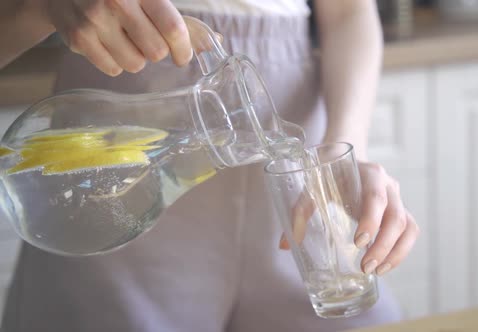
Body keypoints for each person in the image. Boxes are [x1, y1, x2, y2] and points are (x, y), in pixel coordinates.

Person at [0, 1, 420, 331]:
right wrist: (44, 6)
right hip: (119, 166)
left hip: (298, 177)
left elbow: (349, 11)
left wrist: (345, 153)